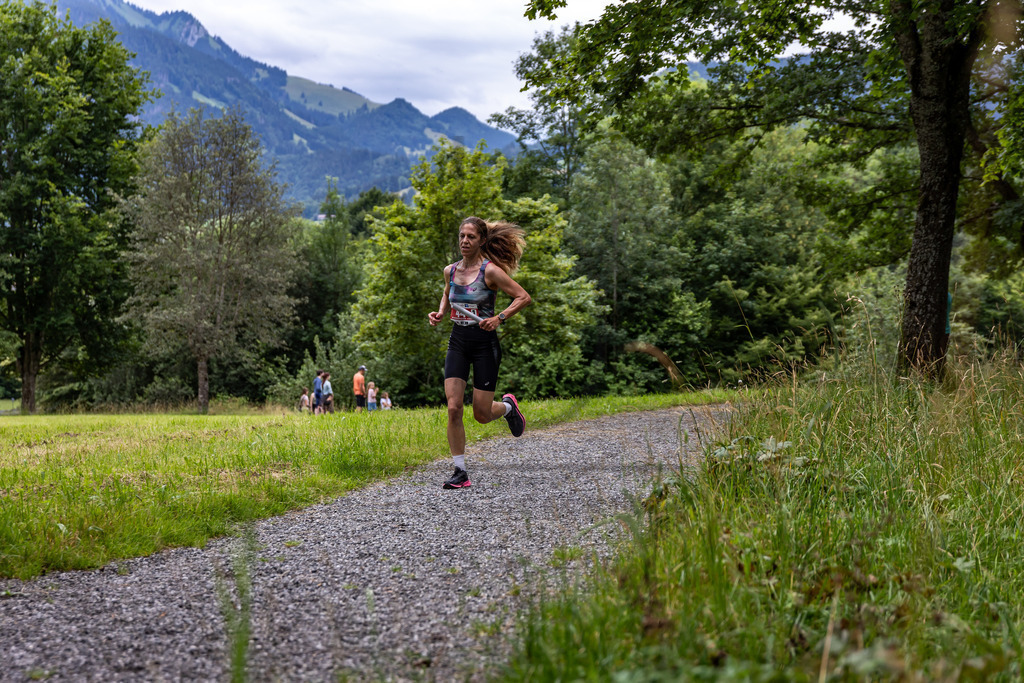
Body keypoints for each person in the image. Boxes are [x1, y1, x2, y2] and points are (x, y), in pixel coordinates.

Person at [428, 216, 531, 490]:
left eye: (471, 237)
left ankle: (509, 407)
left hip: (485, 344)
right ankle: (460, 471)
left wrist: (499, 317)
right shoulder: (450, 270)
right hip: (458, 341)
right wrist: (439, 313)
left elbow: (523, 297)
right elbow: (448, 293)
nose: (464, 241)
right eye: (462, 236)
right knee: (453, 407)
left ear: (481, 241)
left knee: (481, 414)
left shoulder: (491, 272)